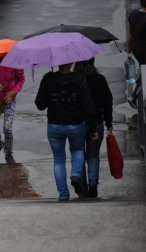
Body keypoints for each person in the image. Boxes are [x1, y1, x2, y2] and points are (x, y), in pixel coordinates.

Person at [35, 63, 99, 201]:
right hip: (76, 124)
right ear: (71, 63)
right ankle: (75, 175)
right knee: (77, 150)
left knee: (58, 160)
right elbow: (88, 104)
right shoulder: (80, 79)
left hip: (55, 125)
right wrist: (93, 127)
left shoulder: (49, 78)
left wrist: (48, 86)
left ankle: (63, 194)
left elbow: (40, 104)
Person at [74, 58, 113, 198]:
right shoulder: (99, 79)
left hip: (76, 124)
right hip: (96, 122)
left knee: (78, 153)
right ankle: (93, 185)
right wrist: (109, 122)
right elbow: (108, 102)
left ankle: (82, 188)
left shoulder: (73, 80)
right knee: (93, 155)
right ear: (93, 61)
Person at [126, 0, 146, 108]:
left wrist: (128, 49)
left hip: (137, 49)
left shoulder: (133, 15)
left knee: (144, 71)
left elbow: (130, 34)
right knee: (145, 73)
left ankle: (134, 97)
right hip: (144, 50)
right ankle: (133, 97)